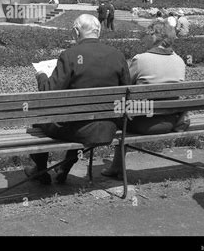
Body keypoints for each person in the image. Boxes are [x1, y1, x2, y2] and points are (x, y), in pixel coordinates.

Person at [25, 14, 131, 185]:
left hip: (77, 129)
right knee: (79, 118)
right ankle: (64, 166)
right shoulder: (117, 55)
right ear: (99, 32)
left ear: (76, 31)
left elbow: (47, 93)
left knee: (40, 119)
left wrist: (41, 74)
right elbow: (128, 91)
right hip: (107, 128)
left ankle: (40, 170)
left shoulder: (70, 55)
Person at [101, 19, 189, 178]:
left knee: (119, 112)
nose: (144, 38)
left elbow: (125, 87)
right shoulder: (180, 61)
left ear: (156, 36)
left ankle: (117, 167)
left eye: (147, 34)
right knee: (127, 109)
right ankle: (116, 166)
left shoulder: (141, 60)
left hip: (143, 122)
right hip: (169, 121)